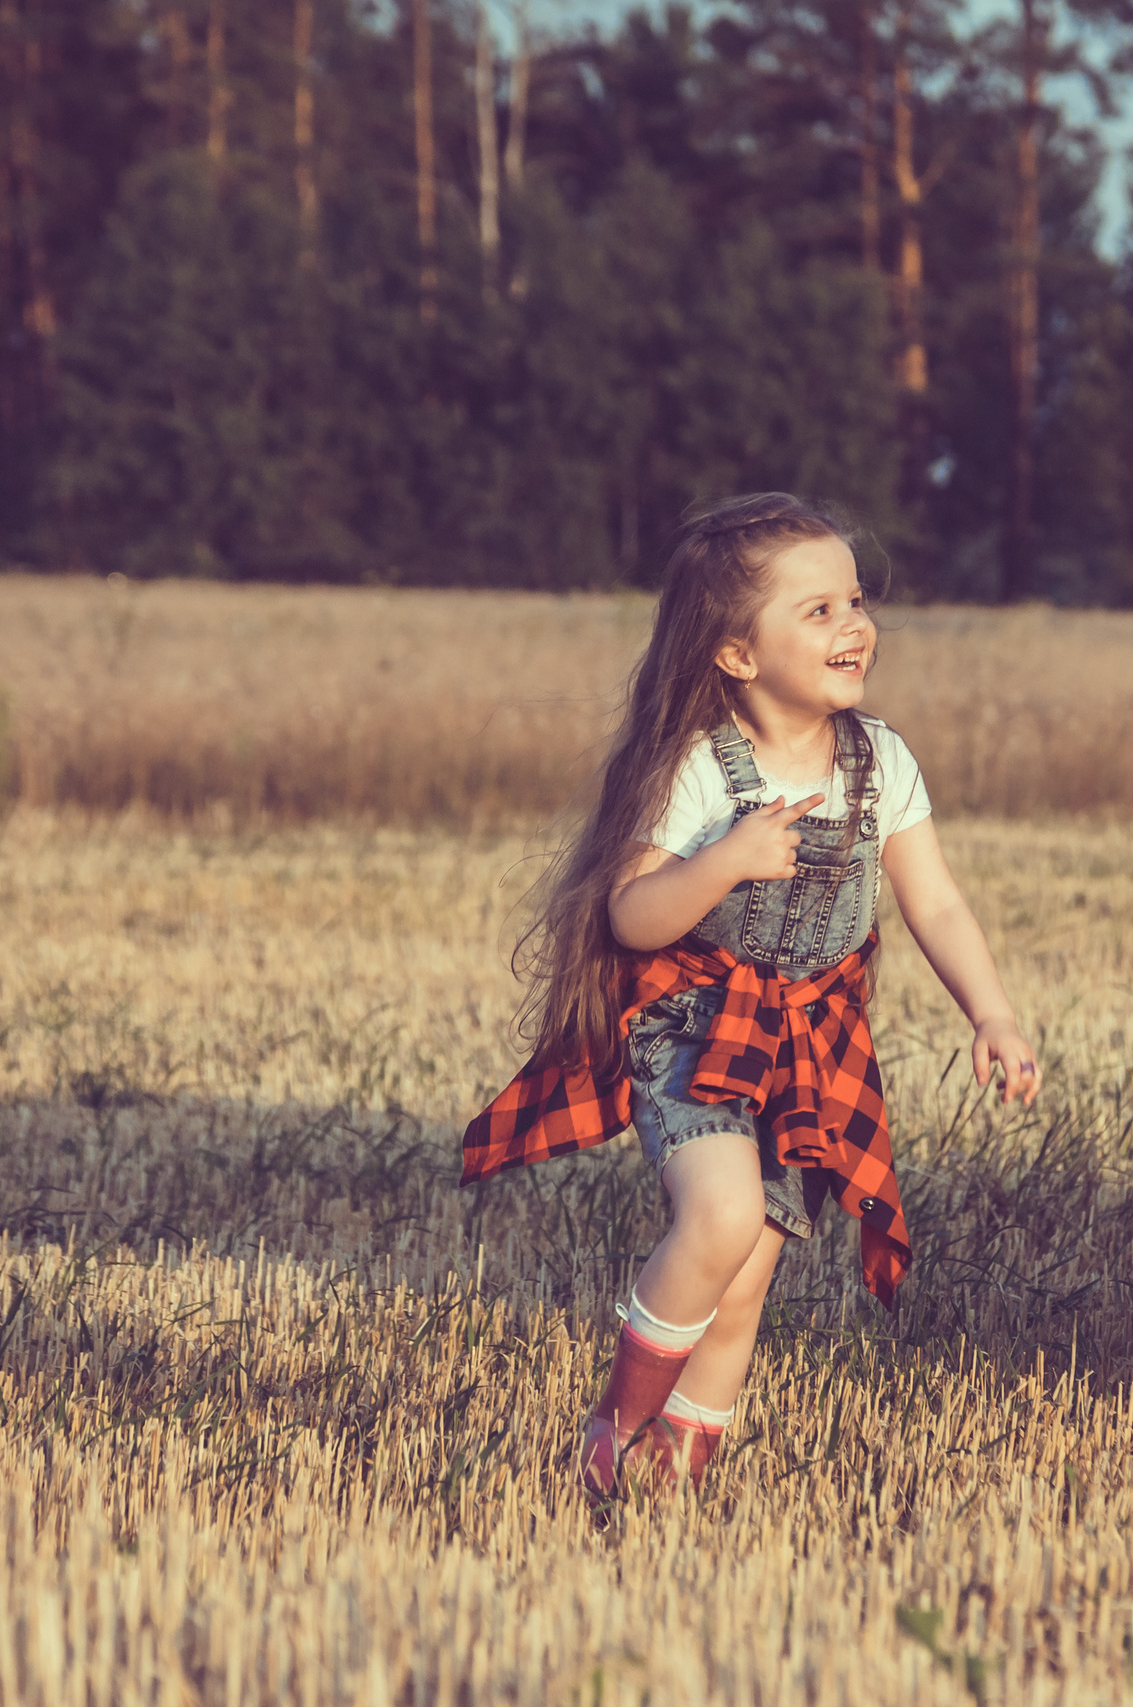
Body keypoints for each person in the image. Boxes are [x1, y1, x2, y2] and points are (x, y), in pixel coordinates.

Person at [460, 492, 1040, 1499]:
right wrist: (723, 862)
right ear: (736, 653)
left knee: (745, 1281)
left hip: (809, 1046)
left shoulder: (881, 762)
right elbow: (633, 916)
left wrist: (990, 1013)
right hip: (695, 1032)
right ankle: (615, 1432)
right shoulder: (698, 767)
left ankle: (678, 1471)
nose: (853, 623)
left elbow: (937, 902)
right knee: (722, 1216)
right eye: (817, 610)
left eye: (854, 601)